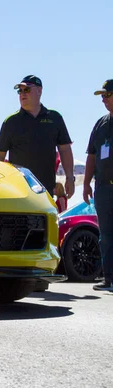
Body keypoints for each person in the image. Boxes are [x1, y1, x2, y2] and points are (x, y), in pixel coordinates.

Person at [0, 75, 76, 198]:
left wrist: (70, 177)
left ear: (39, 91)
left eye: (26, 89)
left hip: (46, 189)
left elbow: (64, 149)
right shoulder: (11, 122)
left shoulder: (55, 118)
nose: (22, 94)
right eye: (19, 91)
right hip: (18, 189)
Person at [84, 79, 113, 291]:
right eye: (101, 96)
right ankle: (108, 279)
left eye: (107, 95)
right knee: (105, 235)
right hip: (103, 188)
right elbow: (91, 156)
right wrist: (86, 183)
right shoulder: (100, 124)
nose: (103, 99)